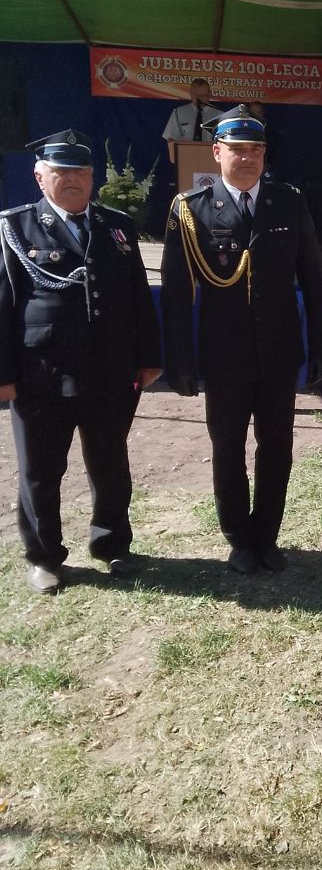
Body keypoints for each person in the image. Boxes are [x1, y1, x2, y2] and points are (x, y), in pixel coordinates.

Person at [161, 106, 322, 573]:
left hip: (278, 353)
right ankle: (238, 537)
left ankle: (267, 535)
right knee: (228, 447)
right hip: (224, 356)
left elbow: (313, 282)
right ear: (217, 152)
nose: (248, 158)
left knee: (277, 446)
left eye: (256, 150)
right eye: (238, 150)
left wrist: (321, 348)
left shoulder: (288, 201)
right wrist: (178, 361)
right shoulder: (190, 209)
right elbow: (176, 294)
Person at [0, 129, 162, 593]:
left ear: (93, 178)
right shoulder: (14, 227)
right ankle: (44, 556)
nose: (72, 180)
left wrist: (149, 357)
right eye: (61, 171)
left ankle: (112, 545)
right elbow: (2, 305)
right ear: (39, 176)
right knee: (41, 470)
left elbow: (137, 298)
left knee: (110, 462)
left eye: (80, 172)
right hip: (41, 374)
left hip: (111, 371)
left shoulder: (117, 226)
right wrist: (3, 375)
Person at [162, 78, 224, 161]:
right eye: (196, 95)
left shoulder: (220, 115)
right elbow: (171, 139)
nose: (199, 99)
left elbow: (224, 142)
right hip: (186, 160)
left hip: (211, 161)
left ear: (209, 94)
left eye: (203, 95)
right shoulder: (179, 113)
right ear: (190, 94)